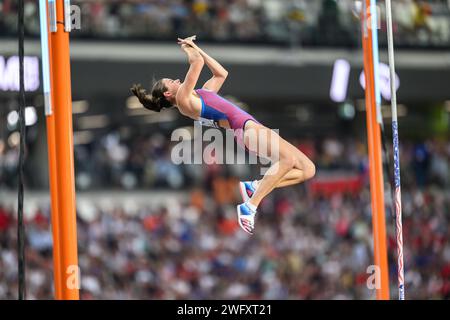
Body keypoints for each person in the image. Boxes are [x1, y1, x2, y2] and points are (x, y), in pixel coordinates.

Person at [130, 36, 315, 235]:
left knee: (308, 169)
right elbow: (197, 62)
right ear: (168, 94)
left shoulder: (200, 93)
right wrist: (188, 48)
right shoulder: (183, 100)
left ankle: (256, 186)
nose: (175, 79)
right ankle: (249, 206)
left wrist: (197, 48)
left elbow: (221, 74)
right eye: (170, 82)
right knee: (287, 160)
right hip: (244, 129)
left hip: (250, 126)